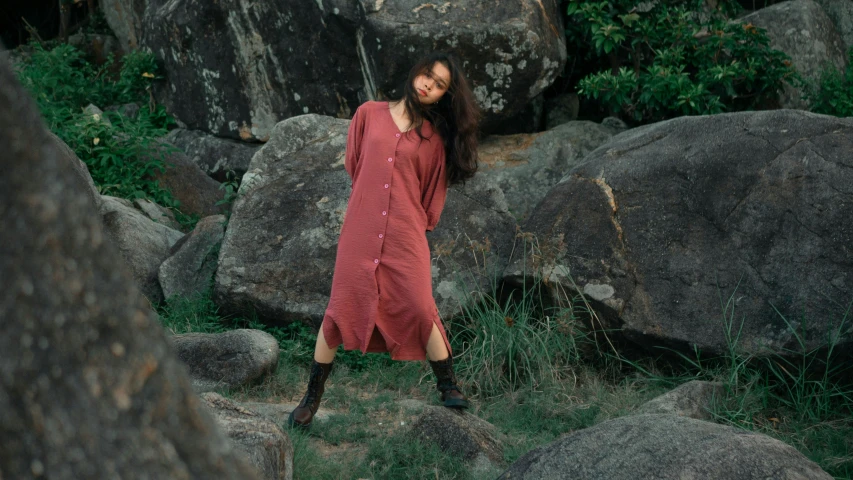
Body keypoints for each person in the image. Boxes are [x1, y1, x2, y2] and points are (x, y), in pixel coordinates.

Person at [288, 52, 481, 430]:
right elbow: (355, 163)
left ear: (444, 95)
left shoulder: (435, 139)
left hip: (405, 234)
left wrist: (407, 224)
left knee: (420, 304)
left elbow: (431, 197)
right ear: (415, 72)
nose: (428, 84)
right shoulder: (368, 114)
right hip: (360, 231)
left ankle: (449, 386)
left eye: (439, 84)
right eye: (428, 75)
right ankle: (311, 398)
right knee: (339, 308)